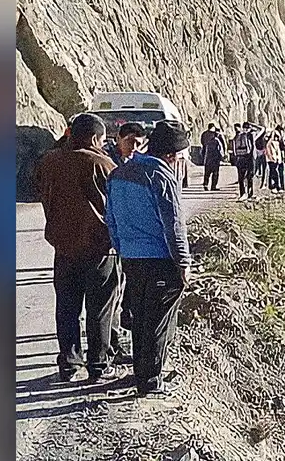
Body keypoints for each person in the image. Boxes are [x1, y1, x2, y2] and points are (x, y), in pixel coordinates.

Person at [105, 120, 192, 396]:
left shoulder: (119, 174)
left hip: (131, 258)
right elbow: (173, 224)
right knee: (158, 322)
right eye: (179, 157)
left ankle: (142, 373)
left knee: (141, 317)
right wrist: (183, 263)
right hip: (160, 260)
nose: (179, 162)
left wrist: (122, 249)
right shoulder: (162, 177)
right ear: (170, 155)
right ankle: (151, 382)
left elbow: (111, 220)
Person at [35, 113, 123, 383]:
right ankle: (99, 364)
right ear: (96, 138)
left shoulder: (49, 161)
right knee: (100, 309)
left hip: (63, 247)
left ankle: (69, 364)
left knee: (67, 307)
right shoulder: (103, 163)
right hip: (99, 248)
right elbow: (116, 206)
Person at [232, 121, 264, 200]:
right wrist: (253, 125)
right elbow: (262, 129)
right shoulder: (252, 135)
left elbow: (234, 149)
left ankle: (242, 194)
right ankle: (250, 194)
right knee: (250, 176)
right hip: (250, 158)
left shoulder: (238, 135)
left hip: (240, 157)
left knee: (241, 177)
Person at [202, 125, 225, 191]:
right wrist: (222, 157)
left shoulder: (205, 135)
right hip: (215, 158)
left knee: (207, 173)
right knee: (215, 173)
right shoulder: (217, 140)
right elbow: (220, 149)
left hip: (208, 157)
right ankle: (213, 186)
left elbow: (203, 145)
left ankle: (206, 185)